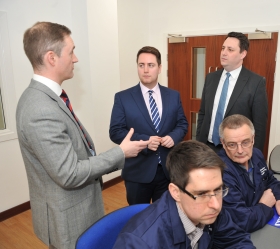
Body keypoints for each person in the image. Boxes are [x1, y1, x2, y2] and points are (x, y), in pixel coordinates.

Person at [16, 22, 148, 249]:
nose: (75, 59)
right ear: (52, 57)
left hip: (76, 208)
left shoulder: (48, 98)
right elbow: (69, 173)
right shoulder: (40, 108)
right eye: (71, 51)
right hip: (67, 218)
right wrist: (121, 153)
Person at [113, 140, 255, 249]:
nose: (216, 205)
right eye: (201, 194)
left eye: (218, 190)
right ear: (176, 192)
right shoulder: (139, 243)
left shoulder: (210, 208)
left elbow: (236, 240)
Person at [109, 46, 188, 205]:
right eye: (141, 65)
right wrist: (145, 141)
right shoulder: (123, 98)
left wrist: (173, 137)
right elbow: (116, 131)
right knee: (138, 218)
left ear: (159, 68)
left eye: (151, 65)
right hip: (138, 172)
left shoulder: (173, 95)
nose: (145, 70)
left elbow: (182, 123)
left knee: (166, 216)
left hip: (168, 171)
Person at [218, 114, 280, 233]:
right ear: (223, 144)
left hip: (260, 224)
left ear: (253, 139)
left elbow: (270, 180)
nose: (240, 151)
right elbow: (242, 221)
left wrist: (279, 199)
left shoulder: (256, 154)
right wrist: (264, 205)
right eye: (232, 144)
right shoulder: (220, 173)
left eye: (245, 142)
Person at [196, 31, 268, 153]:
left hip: (236, 151)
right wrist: (199, 141)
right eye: (223, 48)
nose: (224, 53)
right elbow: (203, 113)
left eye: (230, 49)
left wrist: (254, 156)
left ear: (242, 54)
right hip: (206, 148)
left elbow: (259, 126)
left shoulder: (256, 83)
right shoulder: (211, 78)